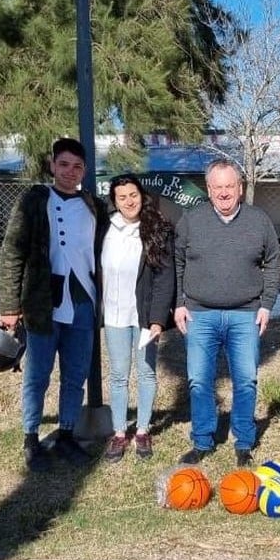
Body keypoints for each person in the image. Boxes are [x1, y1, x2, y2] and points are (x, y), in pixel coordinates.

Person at [0, 138, 111, 472]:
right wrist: (9, 305)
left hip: (83, 300)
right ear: (52, 165)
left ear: (85, 171)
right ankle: (31, 438)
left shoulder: (95, 206)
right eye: (64, 164)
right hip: (42, 302)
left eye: (77, 166)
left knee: (75, 374)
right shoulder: (34, 200)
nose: (70, 171)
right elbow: (12, 252)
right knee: (38, 374)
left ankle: (66, 433)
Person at [173, 160, 280, 467]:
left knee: (245, 380)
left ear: (240, 188)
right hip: (199, 314)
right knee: (198, 380)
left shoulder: (258, 220)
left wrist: (266, 304)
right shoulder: (191, 220)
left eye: (229, 186)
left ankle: (244, 441)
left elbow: (273, 262)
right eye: (217, 187)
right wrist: (179, 303)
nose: (224, 193)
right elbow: (177, 262)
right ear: (208, 189)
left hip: (245, 314)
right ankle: (203, 440)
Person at [100, 174, 175, 462]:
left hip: (143, 316)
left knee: (146, 372)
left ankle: (143, 429)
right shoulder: (106, 229)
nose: (129, 201)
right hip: (115, 315)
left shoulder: (156, 229)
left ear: (141, 196)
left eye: (133, 195)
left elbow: (164, 277)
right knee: (119, 374)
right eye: (122, 197)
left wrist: (157, 319)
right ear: (114, 201)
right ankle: (119, 432)